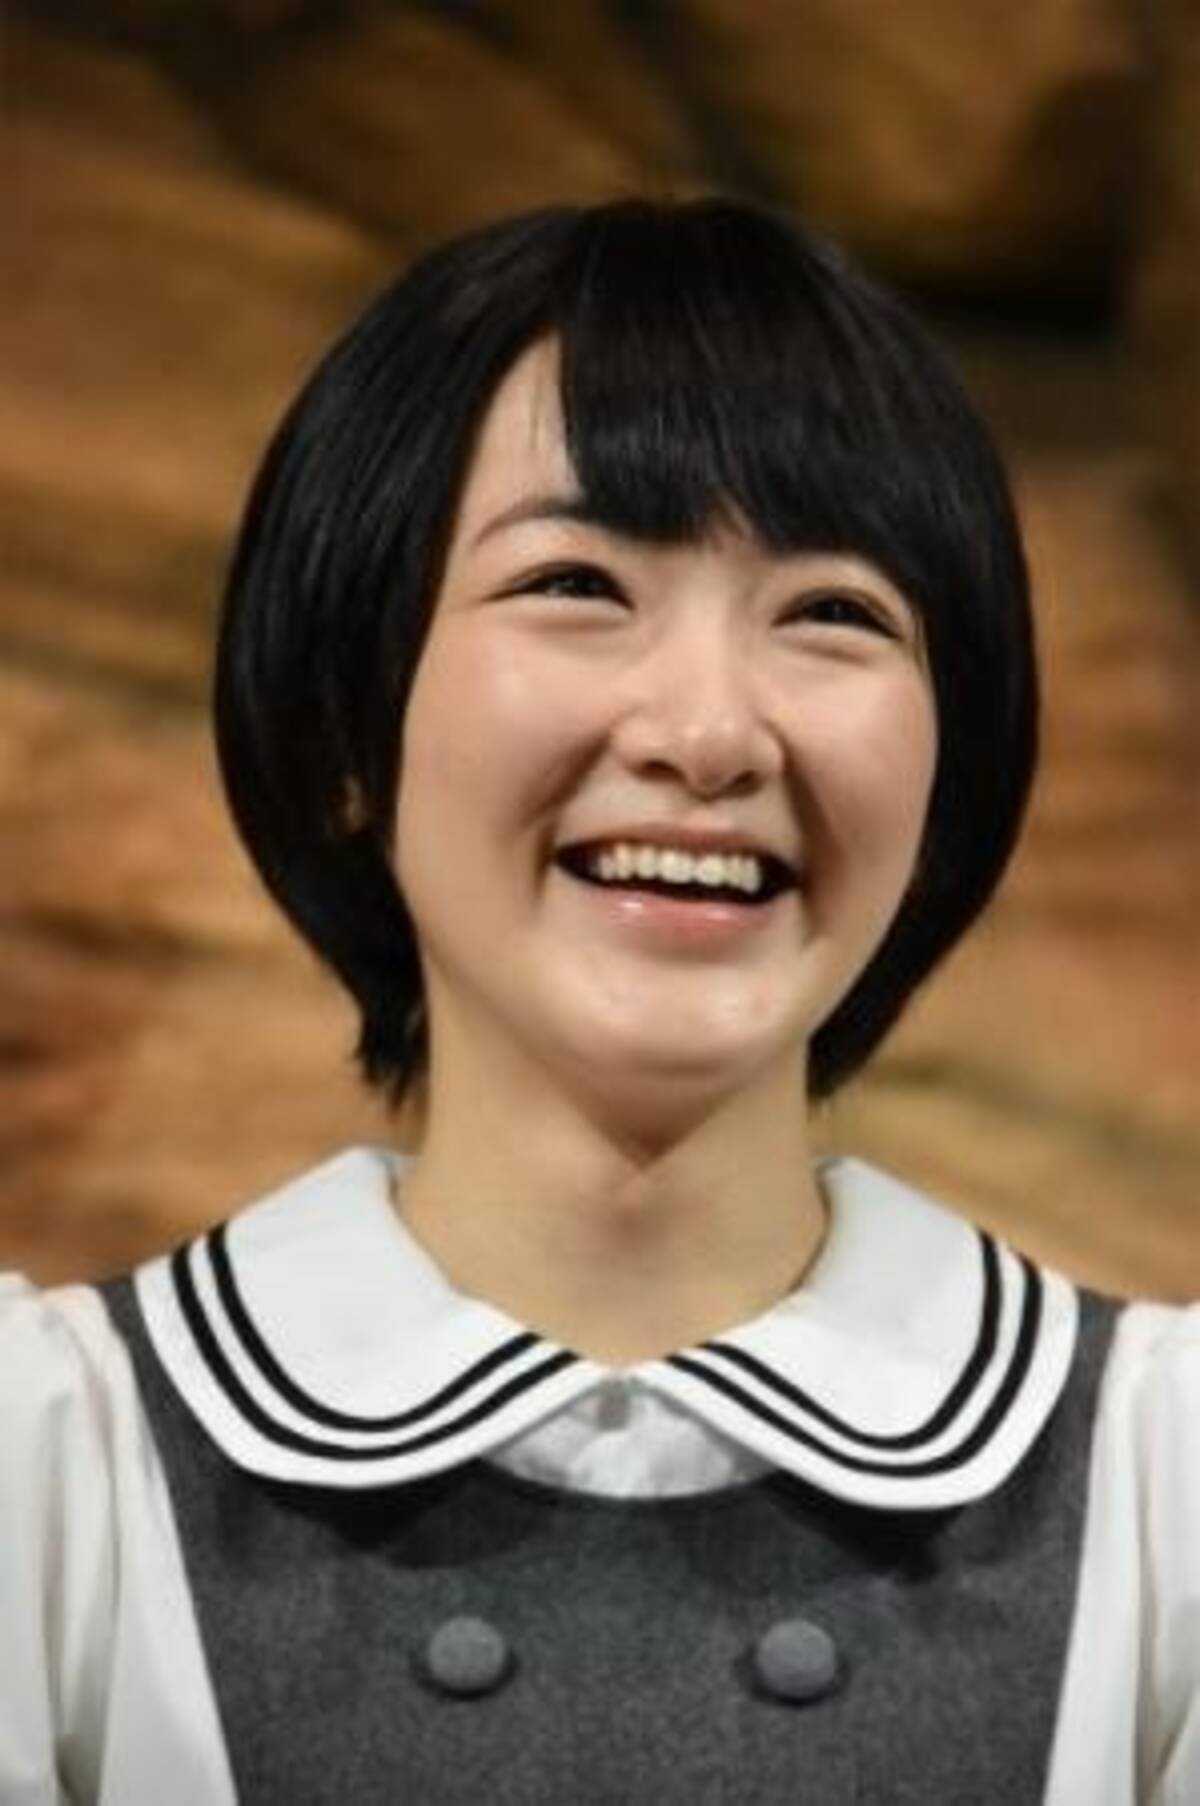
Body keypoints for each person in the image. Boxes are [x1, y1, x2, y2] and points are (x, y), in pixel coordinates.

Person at [0, 196, 1195, 1806]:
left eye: (833, 612)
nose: (709, 734)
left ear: (946, 776)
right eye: (577, 581)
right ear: (349, 721)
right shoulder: (49, 1466)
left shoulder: (1164, 1481)